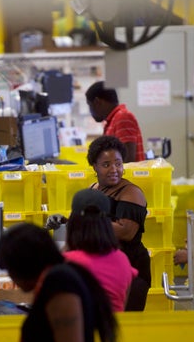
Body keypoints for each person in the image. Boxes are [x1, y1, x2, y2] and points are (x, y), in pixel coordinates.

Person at [87, 135, 151, 311]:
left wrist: (87, 222)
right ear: (95, 167)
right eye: (106, 165)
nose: (114, 169)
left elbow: (125, 231)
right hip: (103, 270)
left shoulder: (131, 192)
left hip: (131, 271)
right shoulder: (93, 189)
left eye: (118, 163)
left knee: (126, 328)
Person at [63, 188, 137, 312]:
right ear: (108, 223)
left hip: (80, 330)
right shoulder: (122, 260)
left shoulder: (66, 263)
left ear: (73, 223)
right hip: (111, 329)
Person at [85, 81, 145, 162]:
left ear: (97, 102)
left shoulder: (123, 117)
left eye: (90, 105)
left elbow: (128, 159)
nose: (90, 111)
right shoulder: (113, 120)